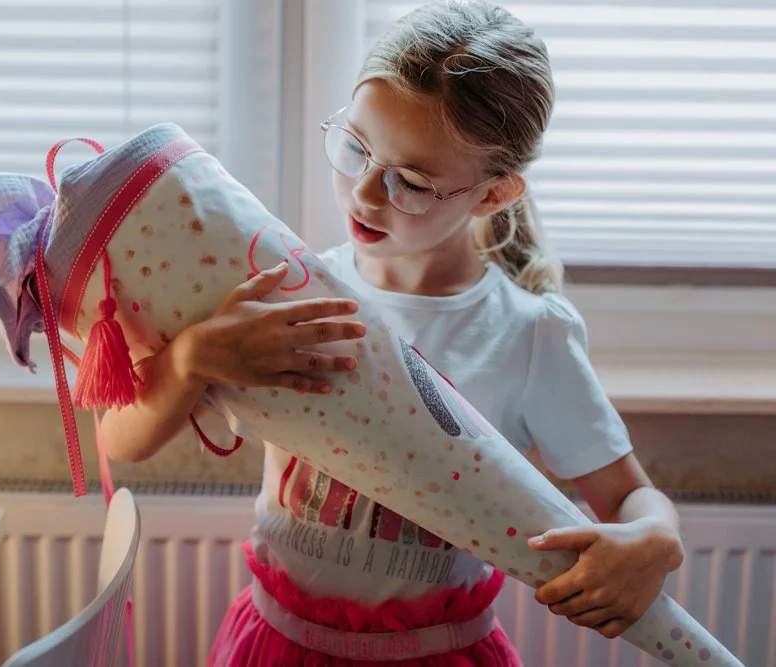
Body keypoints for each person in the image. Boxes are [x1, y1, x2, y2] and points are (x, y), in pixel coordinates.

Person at [103, 1, 685, 664]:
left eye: (409, 181)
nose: (364, 193)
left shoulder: (527, 337)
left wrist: (657, 541)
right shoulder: (287, 285)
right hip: (275, 644)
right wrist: (190, 362)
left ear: (493, 195)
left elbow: (631, 496)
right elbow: (122, 440)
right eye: (354, 146)